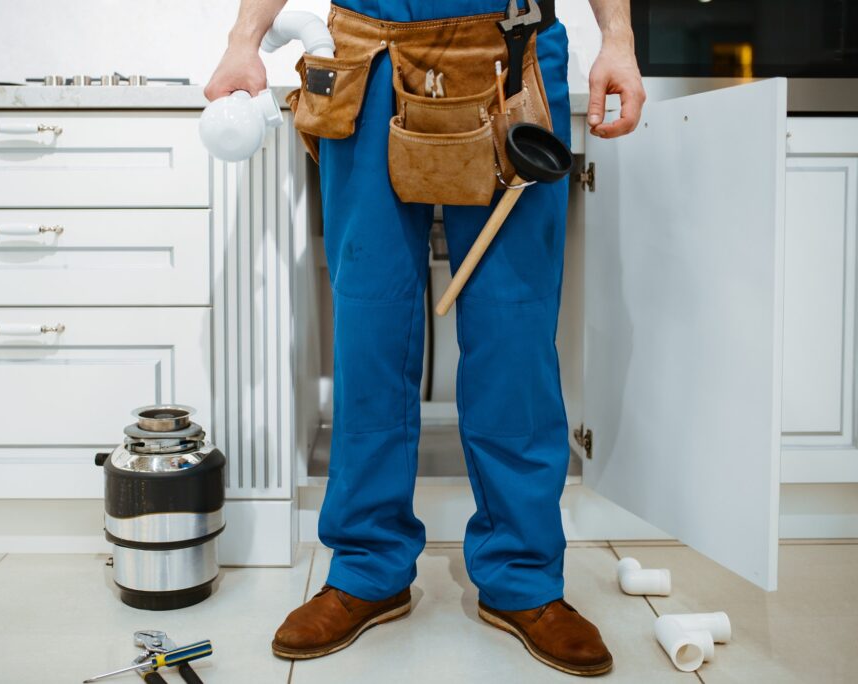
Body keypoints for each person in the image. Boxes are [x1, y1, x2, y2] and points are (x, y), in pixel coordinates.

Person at [206, 0, 644, 676]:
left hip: (510, 51)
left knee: (514, 333)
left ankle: (524, 577)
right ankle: (366, 570)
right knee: (371, 324)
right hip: (364, 56)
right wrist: (245, 38)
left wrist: (618, 36)